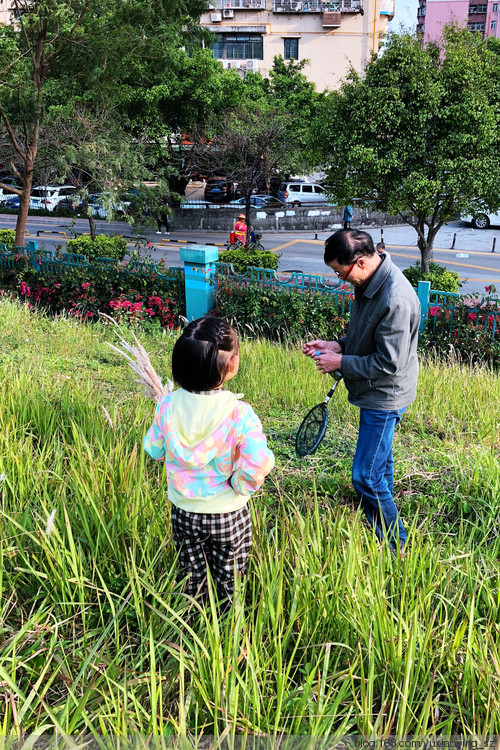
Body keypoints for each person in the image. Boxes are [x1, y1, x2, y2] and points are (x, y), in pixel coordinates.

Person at [302, 229, 420, 551]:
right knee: (380, 465)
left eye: (342, 273)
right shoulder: (369, 282)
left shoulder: (394, 298)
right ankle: (378, 524)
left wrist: (340, 363)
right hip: (377, 390)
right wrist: (335, 345)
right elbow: (366, 335)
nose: (342, 280)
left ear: (361, 261)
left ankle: (397, 544)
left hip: (386, 394)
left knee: (365, 475)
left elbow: (387, 363)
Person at [143, 317, 274, 603]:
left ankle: (194, 614)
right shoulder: (239, 414)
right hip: (227, 513)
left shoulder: (167, 405)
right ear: (232, 365)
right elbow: (258, 463)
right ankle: (226, 624)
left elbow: (154, 449)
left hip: (184, 510)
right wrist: (240, 484)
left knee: (191, 572)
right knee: (230, 574)